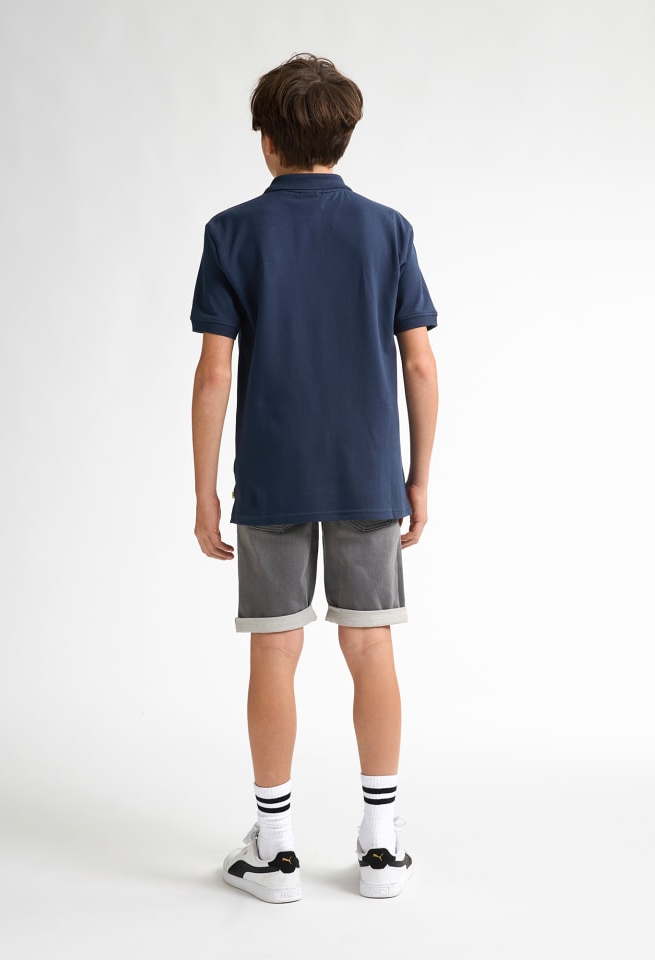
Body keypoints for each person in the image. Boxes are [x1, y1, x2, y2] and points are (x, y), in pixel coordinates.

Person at [190, 53, 438, 902]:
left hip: (272, 475)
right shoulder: (388, 229)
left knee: (275, 647)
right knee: (370, 646)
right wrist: (418, 477)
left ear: (267, 142)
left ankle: (276, 849)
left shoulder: (232, 232)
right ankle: (380, 846)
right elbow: (421, 365)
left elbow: (214, 373)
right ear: (345, 137)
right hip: (369, 473)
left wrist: (204, 492)